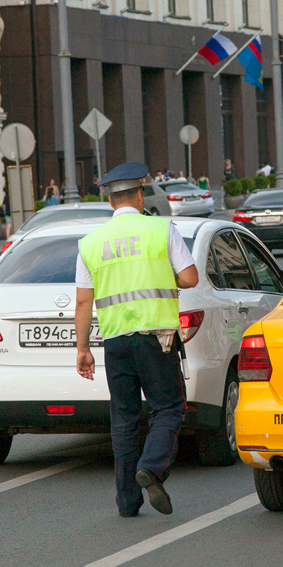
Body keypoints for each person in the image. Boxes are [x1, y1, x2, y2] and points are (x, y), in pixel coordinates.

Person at [74, 162, 199, 517]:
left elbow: (84, 301)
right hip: (156, 336)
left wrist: (83, 349)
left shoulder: (91, 243)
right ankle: (152, 467)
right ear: (140, 195)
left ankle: (127, 502)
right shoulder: (161, 230)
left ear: (111, 201)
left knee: (124, 419)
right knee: (168, 407)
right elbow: (190, 278)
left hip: (115, 340)